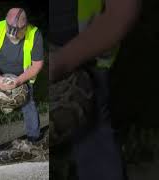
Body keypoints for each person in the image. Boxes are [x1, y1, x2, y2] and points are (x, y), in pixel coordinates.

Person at [50, 0, 139, 180]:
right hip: (51, 63)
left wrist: (59, 63)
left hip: (85, 66)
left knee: (94, 145)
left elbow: (123, 12)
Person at [0, 8, 44, 147]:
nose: (12, 33)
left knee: (29, 104)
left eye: (18, 30)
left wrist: (19, 80)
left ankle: (34, 142)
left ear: (25, 27)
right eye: (10, 28)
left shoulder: (35, 34)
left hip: (22, 76)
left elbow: (37, 65)